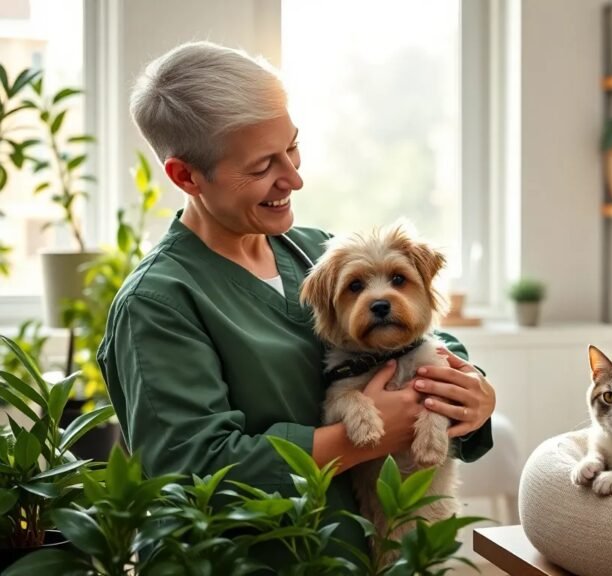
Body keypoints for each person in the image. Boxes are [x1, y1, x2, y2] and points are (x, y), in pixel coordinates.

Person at [97, 41, 495, 562]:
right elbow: (194, 469)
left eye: (293, 147)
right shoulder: (158, 304)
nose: (294, 177)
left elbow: (420, 339)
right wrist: (359, 438)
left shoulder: (313, 251)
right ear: (186, 176)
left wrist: (473, 395)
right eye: (263, 166)